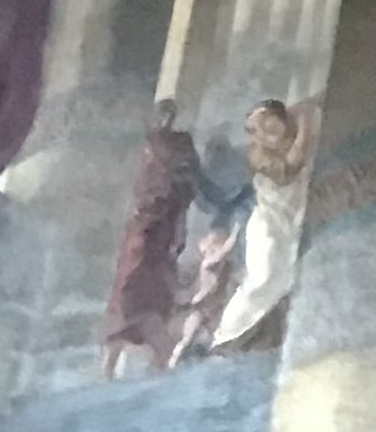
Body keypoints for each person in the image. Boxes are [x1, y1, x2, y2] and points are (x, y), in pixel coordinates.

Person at [175, 96, 314, 358]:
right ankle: (228, 334)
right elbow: (291, 166)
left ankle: (262, 334)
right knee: (263, 278)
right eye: (264, 130)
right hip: (268, 229)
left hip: (287, 223)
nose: (270, 135)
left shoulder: (283, 148)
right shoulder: (260, 157)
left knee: (284, 277)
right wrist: (305, 123)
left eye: (274, 127)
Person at [100, 100, 202, 375]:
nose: (163, 120)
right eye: (160, 115)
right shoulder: (144, 144)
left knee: (156, 274)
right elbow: (133, 180)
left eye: (168, 115)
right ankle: (111, 359)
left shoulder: (180, 143)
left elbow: (190, 176)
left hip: (166, 217)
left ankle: (159, 353)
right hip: (143, 218)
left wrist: (174, 188)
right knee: (130, 273)